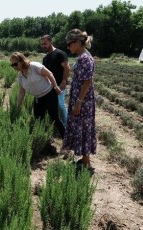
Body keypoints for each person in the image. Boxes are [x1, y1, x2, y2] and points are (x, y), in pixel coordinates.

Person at [61, 29, 97, 171]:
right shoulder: (82, 56)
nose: (68, 47)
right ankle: (84, 159)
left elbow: (87, 81)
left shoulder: (84, 58)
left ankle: (86, 163)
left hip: (83, 101)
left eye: (69, 44)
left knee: (83, 128)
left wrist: (79, 102)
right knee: (82, 128)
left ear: (76, 42)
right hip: (81, 99)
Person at [10, 52, 65, 138]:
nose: (14, 67)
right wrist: (18, 106)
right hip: (38, 98)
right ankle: (42, 138)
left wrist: (55, 87)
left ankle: (66, 139)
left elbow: (49, 74)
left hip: (49, 94)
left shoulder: (34, 66)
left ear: (22, 61)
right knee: (38, 120)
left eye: (15, 64)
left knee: (54, 117)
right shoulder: (20, 76)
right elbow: (21, 92)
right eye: (12, 65)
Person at [41, 34, 70, 127]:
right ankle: (55, 124)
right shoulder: (45, 58)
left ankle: (66, 125)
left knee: (60, 105)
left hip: (60, 85)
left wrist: (64, 81)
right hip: (49, 87)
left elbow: (66, 68)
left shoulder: (60, 54)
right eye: (42, 44)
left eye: (45, 43)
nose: (43, 46)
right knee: (51, 106)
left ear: (51, 42)